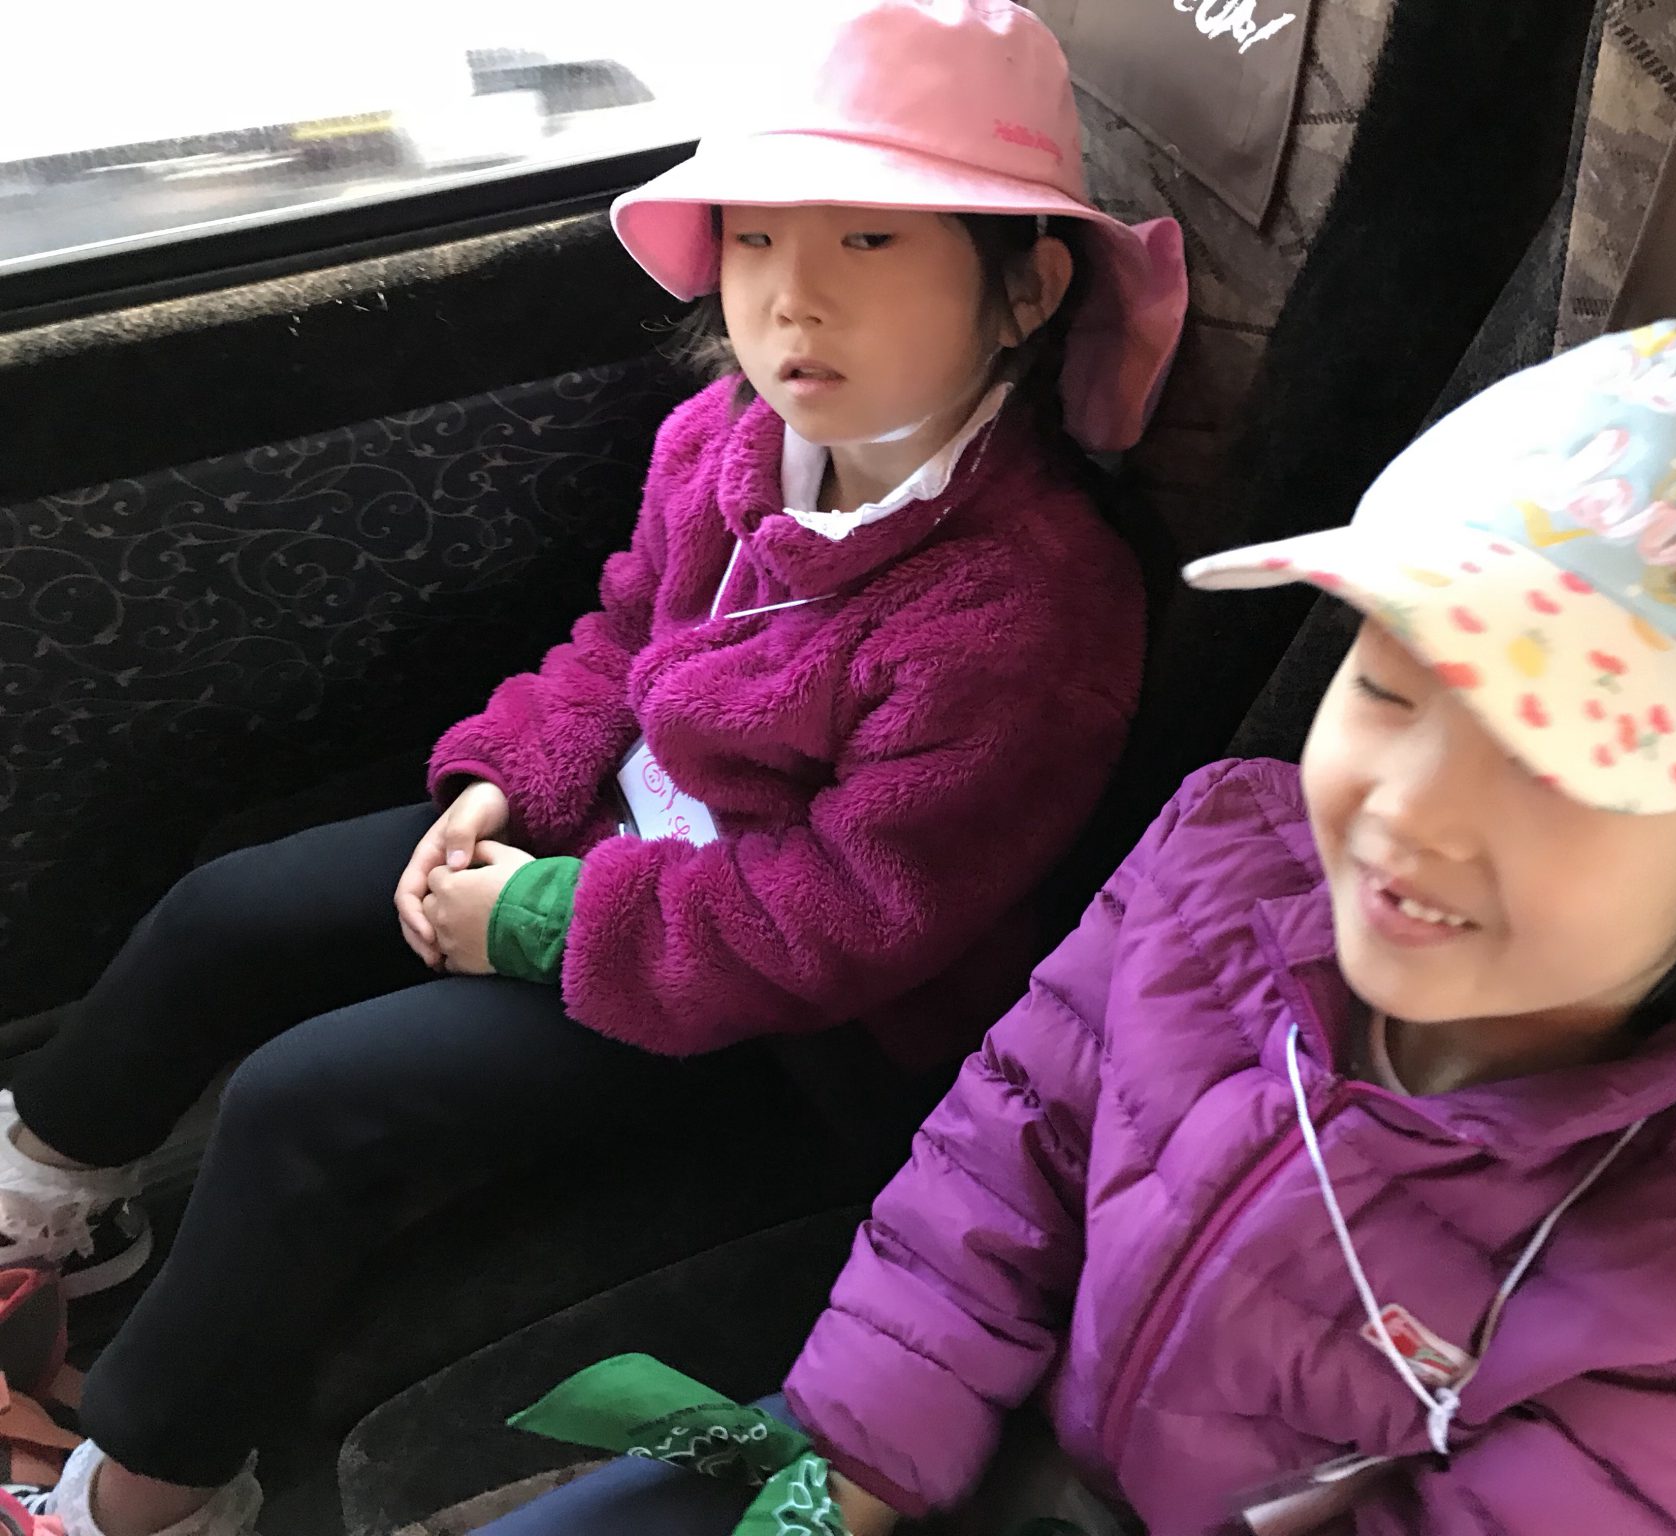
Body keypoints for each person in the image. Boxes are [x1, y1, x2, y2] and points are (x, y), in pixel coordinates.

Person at [2, 4, 1188, 1533]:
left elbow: (841, 919)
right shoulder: (728, 441)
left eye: (869, 242)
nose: (794, 297)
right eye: (754, 239)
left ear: (1025, 287)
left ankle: (147, 1495)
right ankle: (45, 1207)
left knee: (311, 1102)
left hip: (786, 1015)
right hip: (614, 838)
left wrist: (536, 919)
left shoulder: (1026, 609)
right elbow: (628, 635)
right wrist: (509, 781)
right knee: (227, 908)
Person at [485, 322, 1676, 1536]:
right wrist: (860, 1458)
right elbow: (1007, 1153)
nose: (1407, 812)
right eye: (1390, 687)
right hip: (954, 1426)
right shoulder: (1223, 859)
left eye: (1562, 762)